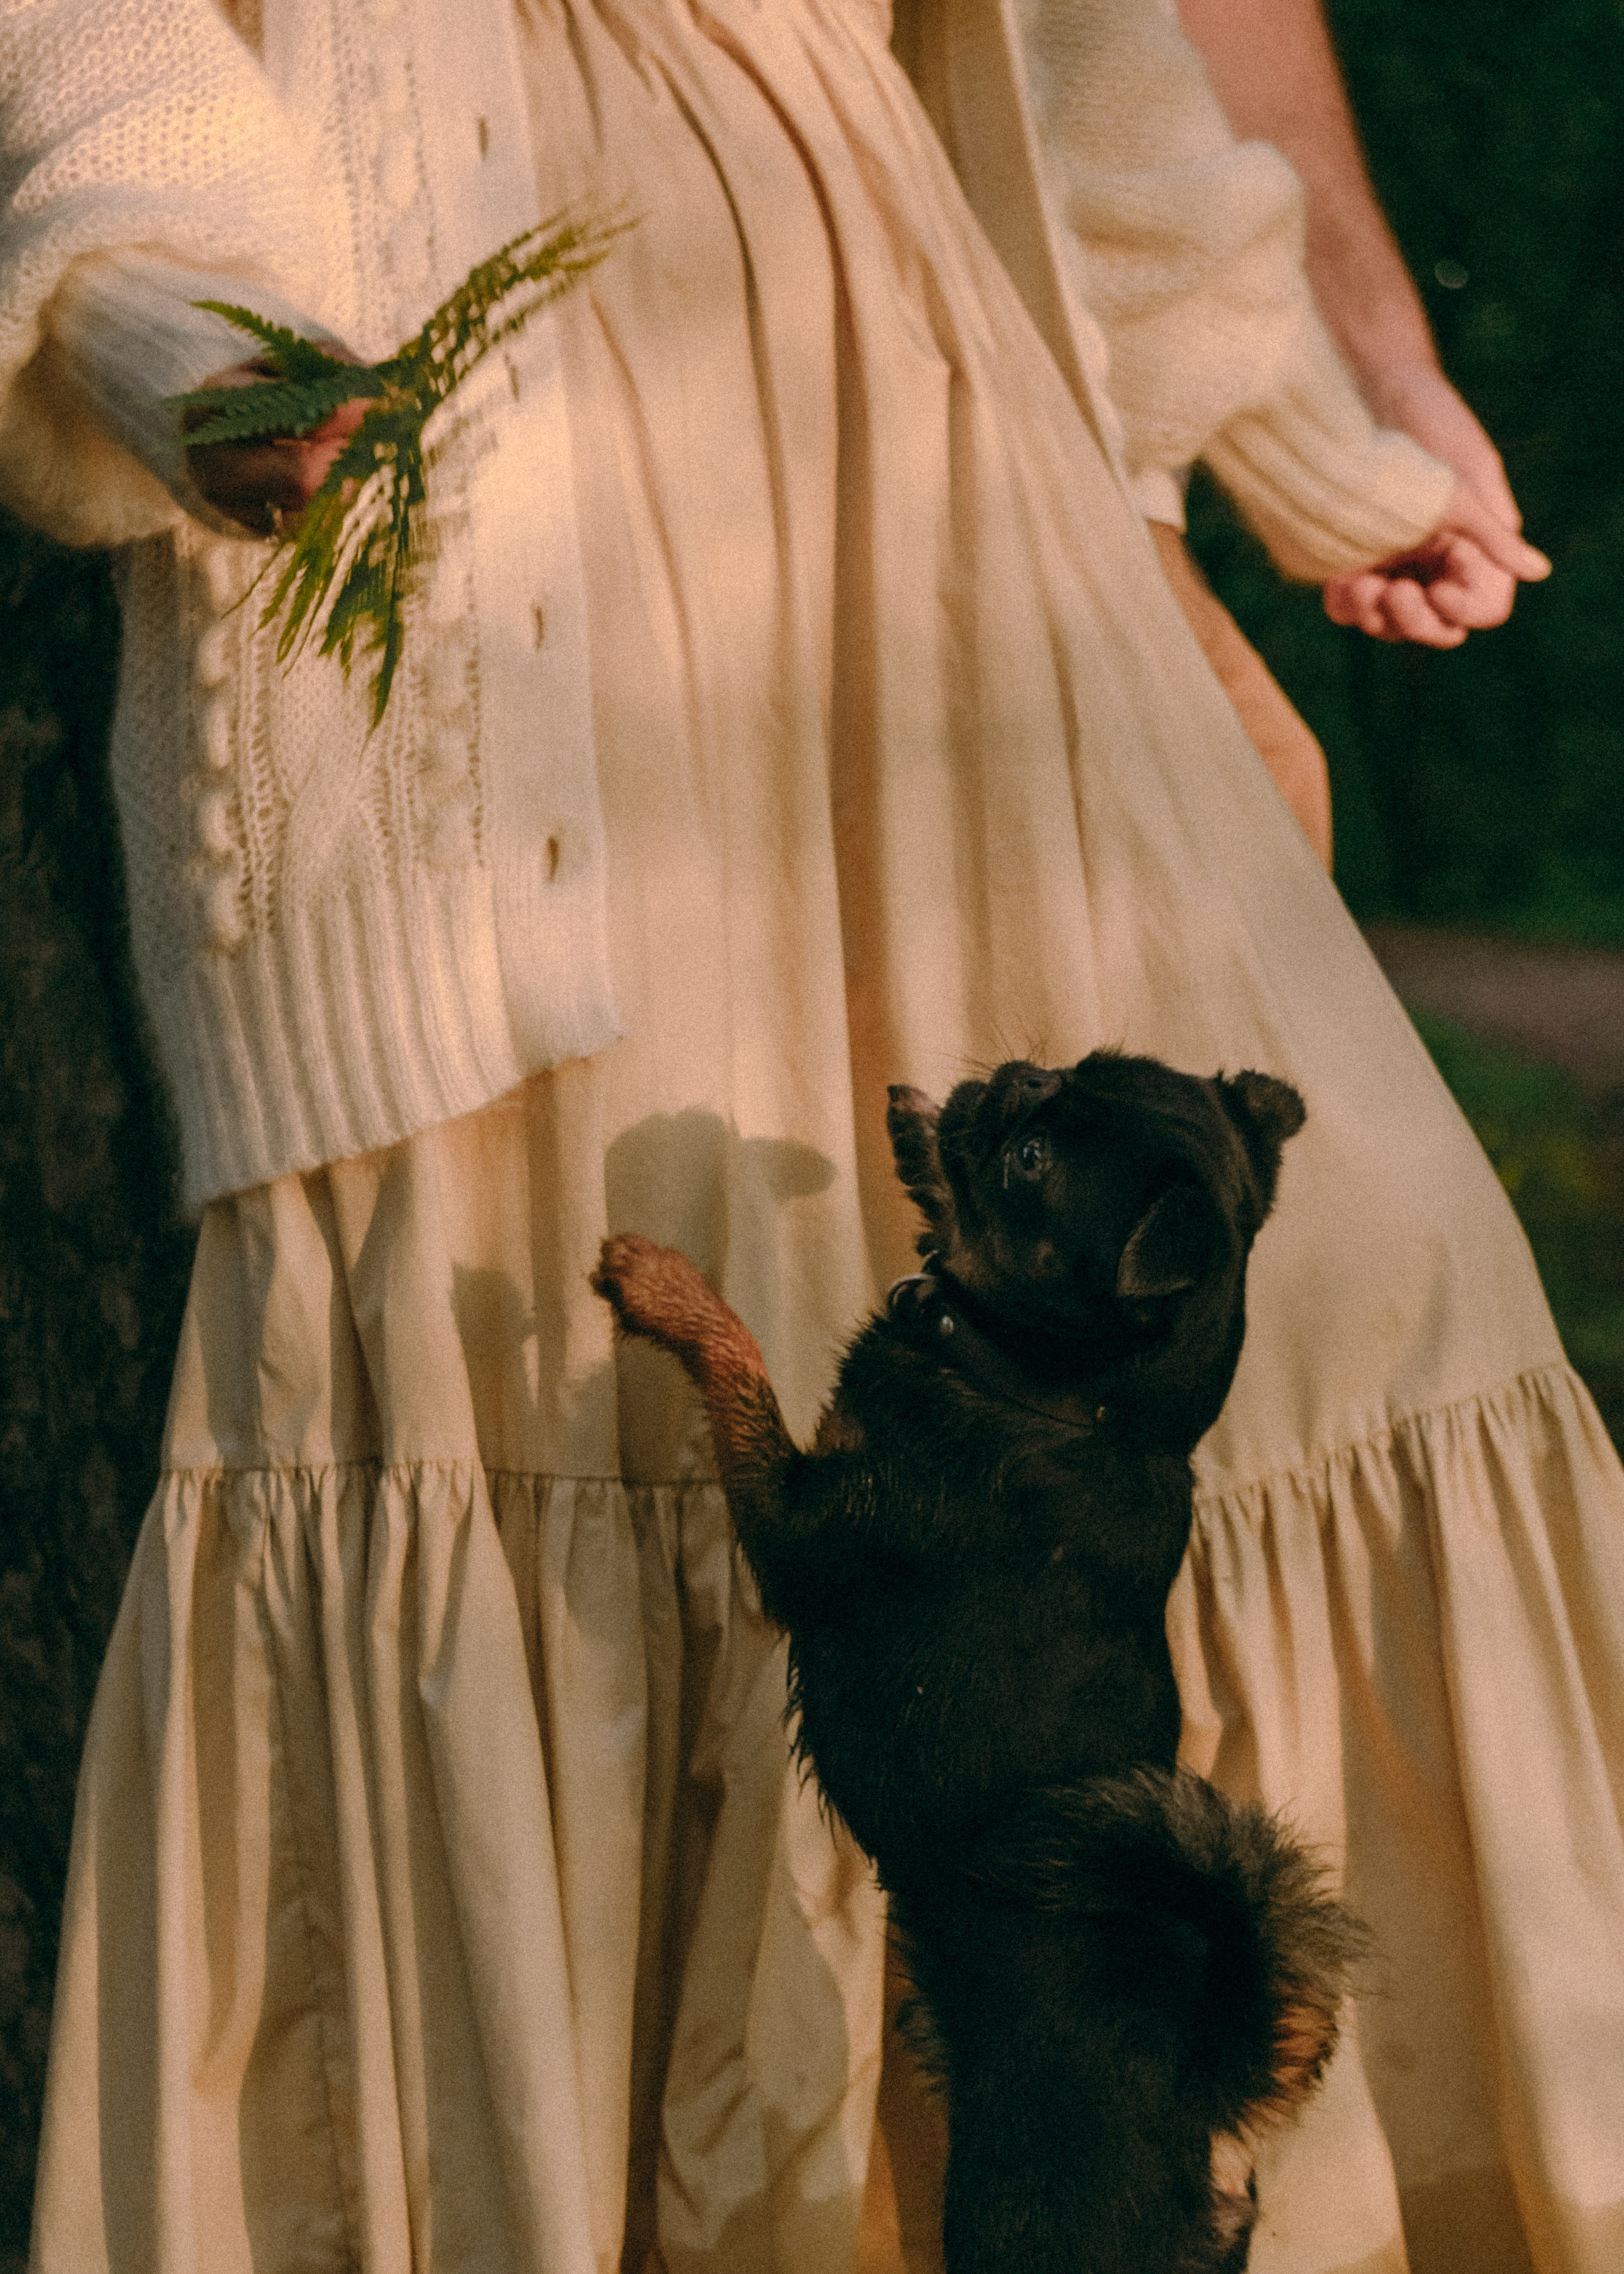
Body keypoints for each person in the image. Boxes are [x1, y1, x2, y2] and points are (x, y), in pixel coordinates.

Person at [1, 6, 1612, 2274]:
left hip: (923, 417)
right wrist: (202, 343)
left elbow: (1073, 43)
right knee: (543, 1347)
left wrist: (1313, 434)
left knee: (1384, 1281)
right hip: (464, 473)